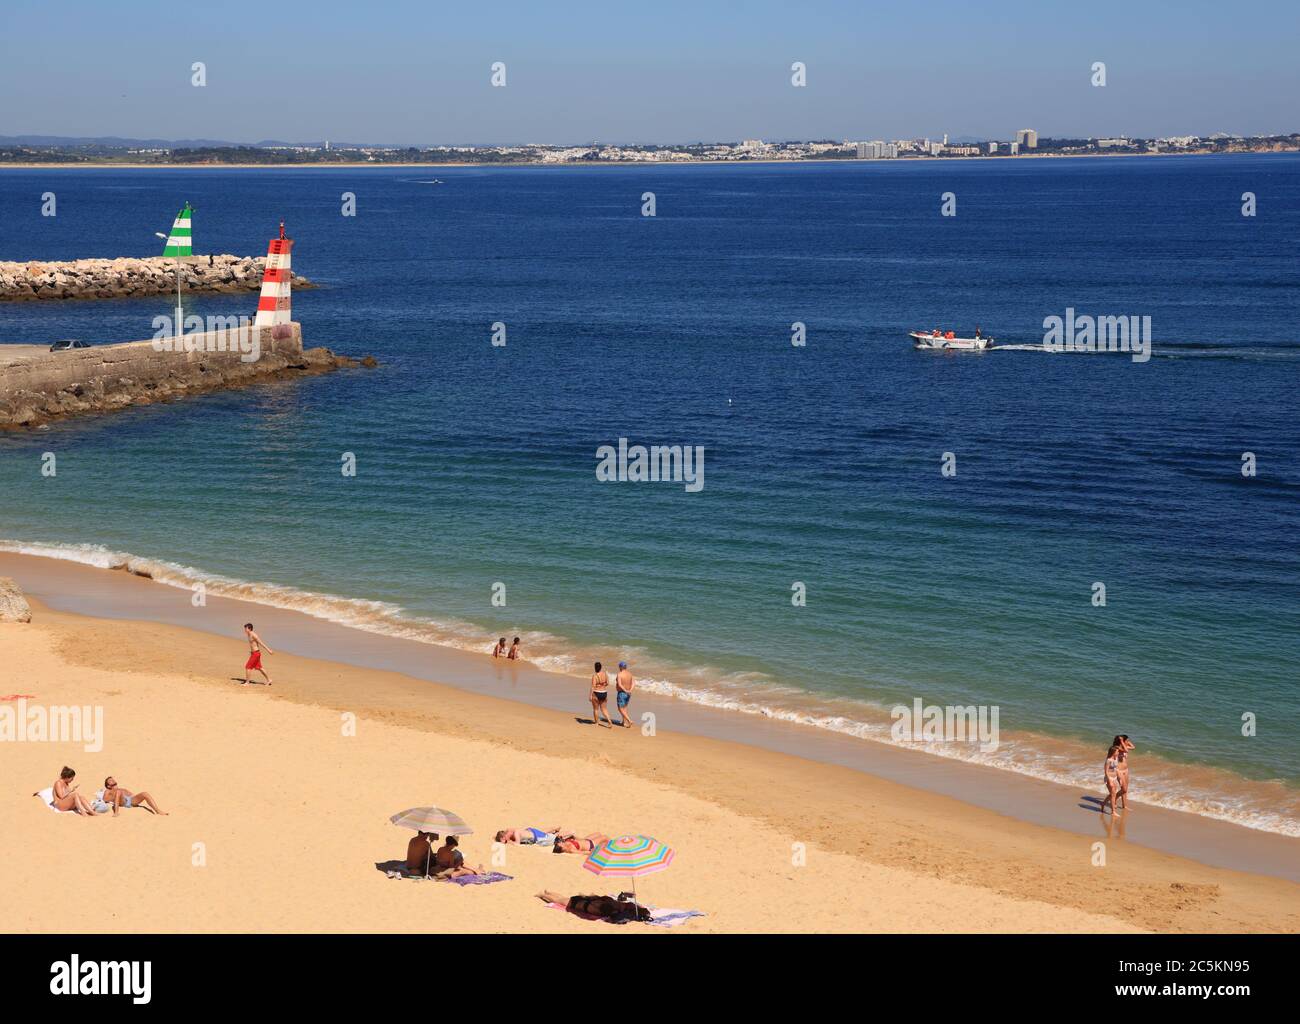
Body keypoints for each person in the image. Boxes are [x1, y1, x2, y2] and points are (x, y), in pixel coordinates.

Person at [535, 890, 651, 923]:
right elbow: (614, 917)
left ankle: (547, 893)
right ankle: (543, 894)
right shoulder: (618, 909)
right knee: (562, 900)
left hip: (587, 901)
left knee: (563, 898)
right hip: (584, 903)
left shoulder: (626, 905)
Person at [100, 776, 167, 815]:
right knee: (118, 792)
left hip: (131, 800)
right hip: (123, 802)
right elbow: (104, 799)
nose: (112, 780)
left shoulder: (122, 788)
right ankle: (116, 812)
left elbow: (132, 794)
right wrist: (111, 798)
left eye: (112, 779)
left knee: (145, 793)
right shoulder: (108, 791)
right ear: (108, 785)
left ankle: (158, 811)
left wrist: (136, 798)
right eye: (110, 780)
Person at [1100, 743, 1122, 815]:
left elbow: (1116, 769)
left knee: (1113, 794)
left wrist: (1119, 779)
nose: (1118, 752)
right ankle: (1113, 812)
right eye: (1117, 751)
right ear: (1113, 752)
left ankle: (1103, 804)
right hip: (1109, 778)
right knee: (1113, 795)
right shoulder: (1108, 760)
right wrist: (1109, 780)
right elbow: (1106, 771)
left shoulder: (1116, 759)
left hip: (1114, 777)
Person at [589, 662, 612, 728]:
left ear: (595, 667)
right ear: (601, 667)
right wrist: (602, 685)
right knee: (604, 709)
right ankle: (609, 721)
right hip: (604, 692)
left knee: (596, 709)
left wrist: (590, 695)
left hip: (596, 693)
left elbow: (593, 686)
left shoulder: (595, 676)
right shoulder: (605, 674)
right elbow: (607, 683)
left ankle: (596, 723)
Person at [1116, 735, 1135, 809]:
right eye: (1127, 740)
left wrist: (1127, 741)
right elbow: (1126, 750)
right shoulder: (1118, 748)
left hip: (1126, 770)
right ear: (1122, 742)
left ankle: (1124, 806)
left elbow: (1133, 747)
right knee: (1123, 789)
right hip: (1119, 770)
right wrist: (1121, 741)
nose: (1128, 742)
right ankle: (1114, 799)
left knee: (1125, 790)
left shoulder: (1125, 747)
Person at [615, 661, 635, 729]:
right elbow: (633, 683)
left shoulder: (619, 674)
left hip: (622, 693)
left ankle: (629, 720)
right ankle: (623, 722)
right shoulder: (630, 674)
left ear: (621, 667)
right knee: (625, 708)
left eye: (619, 667)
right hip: (628, 693)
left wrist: (625, 690)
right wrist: (630, 690)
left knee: (620, 708)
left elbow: (620, 685)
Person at [495, 826, 564, 845]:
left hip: (535, 835)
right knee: (543, 831)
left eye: (504, 840)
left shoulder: (515, 833)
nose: (505, 841)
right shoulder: (509, 830)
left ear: (504, 836)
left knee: (546, 835)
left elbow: (517, 844)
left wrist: (510, 842)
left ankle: (556, 831)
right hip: (529, 831)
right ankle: (555, 828)